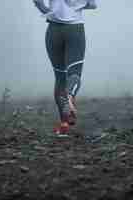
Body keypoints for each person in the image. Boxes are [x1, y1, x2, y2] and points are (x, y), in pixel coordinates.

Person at [33, 0, 98, 135]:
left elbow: (38, 1)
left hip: (53, 31)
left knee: (60, 77)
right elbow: (92, 4)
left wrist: (48, 11)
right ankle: (70, 96)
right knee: (74, 72)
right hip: (74, 30)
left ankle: (64, 123)